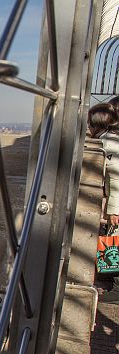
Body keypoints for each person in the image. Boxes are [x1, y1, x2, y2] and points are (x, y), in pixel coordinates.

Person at [89, 102, 119, 300]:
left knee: (112, 243)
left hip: (115, 205)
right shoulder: (112, 141)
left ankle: (110, 283)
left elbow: (116, 178)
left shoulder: (107, 144)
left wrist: (113, 209)